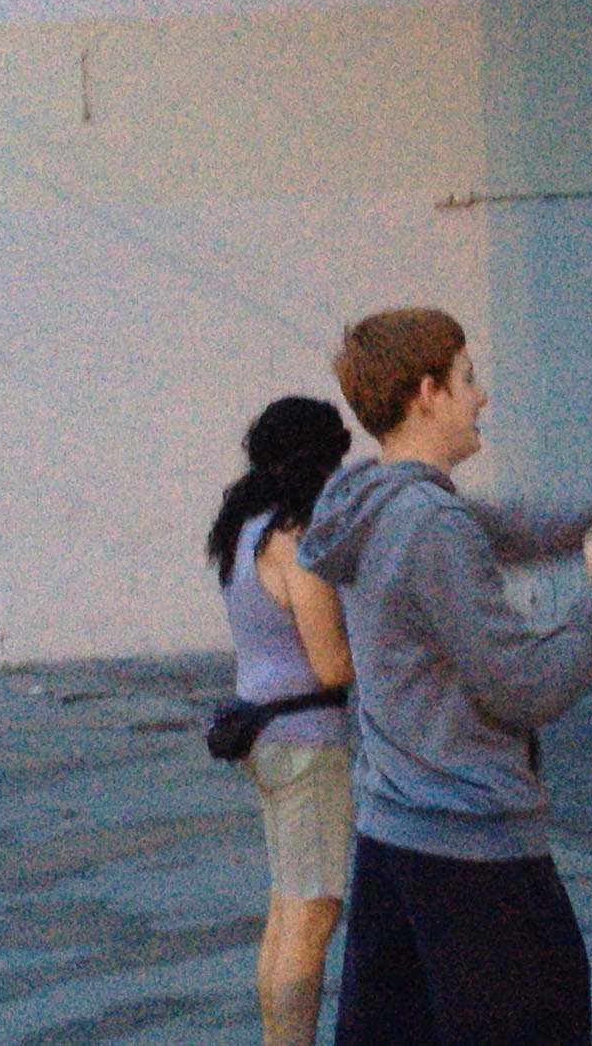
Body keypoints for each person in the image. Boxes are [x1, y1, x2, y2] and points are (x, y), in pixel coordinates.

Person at [298, 307, 592, 1045]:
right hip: (470, 857)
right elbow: (525, 684)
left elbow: (559, 523)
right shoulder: (431, 525)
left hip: (393, 843)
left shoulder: (374, 505)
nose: (482, 395)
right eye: (468, 379)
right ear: (427, 394)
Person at [205, 397, 357, 1046]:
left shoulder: (243, 530)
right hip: (307, 745)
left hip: (264, 737)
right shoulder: (296, 539)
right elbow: (331, 664)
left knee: (287, 907)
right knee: (312, 914)